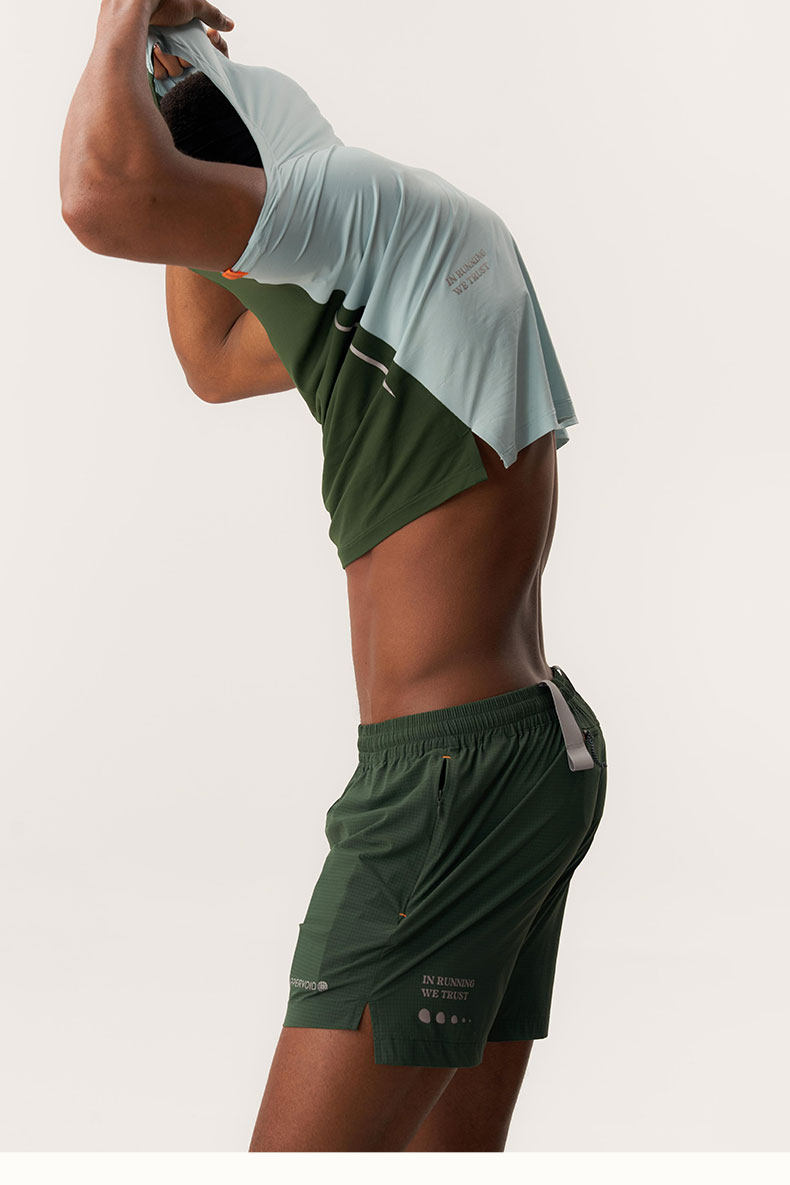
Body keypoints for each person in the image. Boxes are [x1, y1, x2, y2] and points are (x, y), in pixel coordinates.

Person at [60, 0, 608, 1153]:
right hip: (528, 754)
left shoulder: (355, 205)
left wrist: (119, 18)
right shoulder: (393, 260)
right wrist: (166, 84)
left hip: (446, 781)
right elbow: (214, 360)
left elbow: (100, 199)